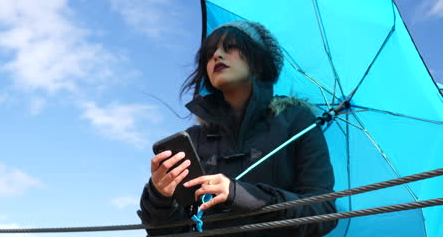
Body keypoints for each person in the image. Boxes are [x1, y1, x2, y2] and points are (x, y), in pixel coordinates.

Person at [138, 20, 337, 236]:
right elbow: (167, 232)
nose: (217, 56)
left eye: (231, 47)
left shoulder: (297, 121)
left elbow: (324, 211)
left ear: (259, 62)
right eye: (210, 53)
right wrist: (160, 197)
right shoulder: (194, 139)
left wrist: (242, 195)